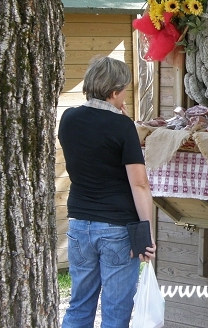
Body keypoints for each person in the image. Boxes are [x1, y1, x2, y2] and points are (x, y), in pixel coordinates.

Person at [59, 56, 156, 328]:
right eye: (124, 89)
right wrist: (146, 233)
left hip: (78, 226)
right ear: (115, 92)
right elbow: (139, 184)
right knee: (115, 313)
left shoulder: (68, 118)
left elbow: (93, 149)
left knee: (79, 307)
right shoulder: (123, 127)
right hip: (116, 229)